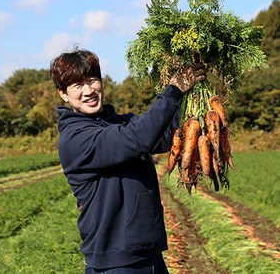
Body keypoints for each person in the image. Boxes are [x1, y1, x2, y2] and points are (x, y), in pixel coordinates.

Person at [49, 47, 206, 273]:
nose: (88, 91)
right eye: (77, 85)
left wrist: (191, 103)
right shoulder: (75, 138)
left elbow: (161, 138)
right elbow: (137, 139)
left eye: (92, 81)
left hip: (150, 254)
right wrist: (173, 91)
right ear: (63, 94)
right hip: (116, 262)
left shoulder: (120, 122)